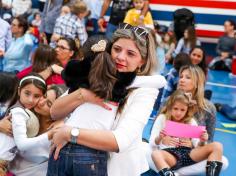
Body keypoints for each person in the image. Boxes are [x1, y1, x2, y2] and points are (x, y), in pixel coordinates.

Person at [48, 23, 167, 176]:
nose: (120, 57)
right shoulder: (98, 74)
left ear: (142, 61)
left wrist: (70, 133)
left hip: (114, 169)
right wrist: (83, 95)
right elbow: (55, 111)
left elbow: (121, 140)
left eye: (131, 54)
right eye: (117, 49)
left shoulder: (145, 90)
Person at [48, 35, 124, 176]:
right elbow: (54, 112)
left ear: (83, 57)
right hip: (88, 150)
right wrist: (83, 95)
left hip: (64, 145)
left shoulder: (80, 78)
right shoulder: (119, 80)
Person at [150, 90, 223, 176]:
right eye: (175, 108)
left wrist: (202, 140)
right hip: (171, 155)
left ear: (187, 110)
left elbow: (198, 145)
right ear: (170, 107)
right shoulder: (162, 118)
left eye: (182, 110)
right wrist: (160, 139)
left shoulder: (191, 121)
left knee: (217, 145)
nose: (178, 113)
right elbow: (152, 143)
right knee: (155, 154)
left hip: (189, 154)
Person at [0, 73, 47, 176]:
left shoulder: (26, 112)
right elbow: (22, 144)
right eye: (27, 93)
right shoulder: (18, 112)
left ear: (43, 97)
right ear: (18, 91)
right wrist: (50, 135)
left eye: (36, 96)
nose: (30, 100)